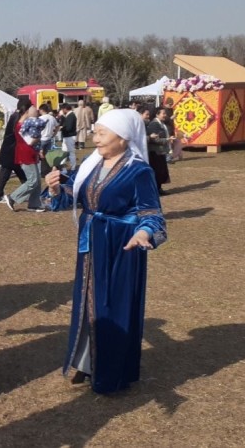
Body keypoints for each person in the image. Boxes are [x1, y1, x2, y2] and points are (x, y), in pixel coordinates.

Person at [44, 109, 166, 394]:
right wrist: (54, 190)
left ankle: (111, 372)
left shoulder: (139, 171)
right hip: (90, 243)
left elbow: (153, 215)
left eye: (101, 133)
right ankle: (87, 363)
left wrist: (143, 232)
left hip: (122, 246)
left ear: (123, 139)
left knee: (113, 304)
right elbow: (71, 200)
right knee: (88, 301)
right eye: (95, 132)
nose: (94, 138)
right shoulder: (91, 164)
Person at [6, 106, 45, 212]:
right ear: (27, 111)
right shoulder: (20, 126)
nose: (37, 112)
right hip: (25, 155)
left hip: (31, 154)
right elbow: (29, 141)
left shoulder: (24, 124)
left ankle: (34, 204)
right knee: (33, 180)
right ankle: (12, 197)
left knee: (37, 180)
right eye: (35, 110)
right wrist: (36, 140)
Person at [0, 98, 31, 203]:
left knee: (20, 172)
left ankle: (28, 192)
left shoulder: (15, 115)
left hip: (12, 149)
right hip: (10, 149)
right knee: (5, 173)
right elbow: (18, 133)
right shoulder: (17, 117)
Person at [146, 108, 173, 195]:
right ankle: (155, 189)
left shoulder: (161, 123)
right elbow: (155, 139)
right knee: (157, 171)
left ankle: (159, 188)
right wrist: (167, 140)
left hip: (160, 151)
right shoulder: (154, 124)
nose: (165, 115)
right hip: (155, 152)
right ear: (157, 114)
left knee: (161, 170)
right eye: (163, 113)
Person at [60, 103, 78, 171]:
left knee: (71, 153)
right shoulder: (69, 115)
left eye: (62, 109)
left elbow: (69, 127)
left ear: (65, 109)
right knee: (64, 152)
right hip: (68, 136)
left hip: (70, 136)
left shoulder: (71, 116)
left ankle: (73, 167)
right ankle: (63, 168)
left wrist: (62, 128)